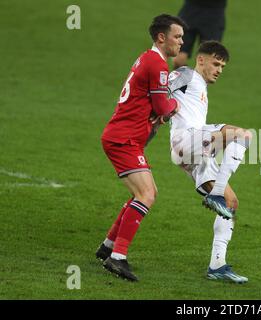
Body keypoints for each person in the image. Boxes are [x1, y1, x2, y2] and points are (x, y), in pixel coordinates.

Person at [95, 14, 187, 282]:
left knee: (146, 192)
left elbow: (151, 103)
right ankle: (117, 259)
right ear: (162, 37)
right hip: (123, 139)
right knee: (146, 194)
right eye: (177, 36)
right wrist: (174, 106)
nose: (181, 42)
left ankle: (108, 247)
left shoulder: (146, 59)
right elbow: (162, 107)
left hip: (126, 137)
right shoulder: (157, 64)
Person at [168, 41, 252, 283]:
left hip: (195, 153)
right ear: (201, 59)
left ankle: (217, 265)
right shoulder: (186, 74)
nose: (219, 69)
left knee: (231, 202)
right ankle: (214, 193)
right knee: (243, 135)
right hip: (186, 141)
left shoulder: (200, 89)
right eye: (216, 63)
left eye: (223, 66)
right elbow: (160, 90)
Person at [173, 0, 227, 69]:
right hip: (190, 9)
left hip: (214, 14)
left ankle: (196, 79)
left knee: (206, 64)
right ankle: (187, 79)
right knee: (178, 60)